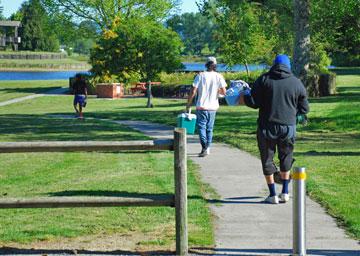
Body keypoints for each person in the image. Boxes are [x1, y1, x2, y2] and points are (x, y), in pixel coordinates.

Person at [244, 54, 309, 204]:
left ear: (274, 64)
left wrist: (246, 95)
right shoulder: (296, 83)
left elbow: (254, 102)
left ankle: (273, 194)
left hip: (266, 126)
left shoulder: (264, 79)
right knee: (286, 157)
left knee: (267, 158)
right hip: (288, 127)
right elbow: (304, 108)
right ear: (288, 66)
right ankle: (285, 192)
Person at [186, 57, 227, 157]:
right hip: (213, 107)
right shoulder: (219, 76)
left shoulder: (200, 75)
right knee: (209, 128)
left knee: (201, 127)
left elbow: (193, 91)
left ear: (206, 64)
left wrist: (189, 103)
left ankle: (204, 147)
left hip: (201, 106)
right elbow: (224, 92)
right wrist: (217, 92)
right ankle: (207, 147)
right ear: (215, 65)